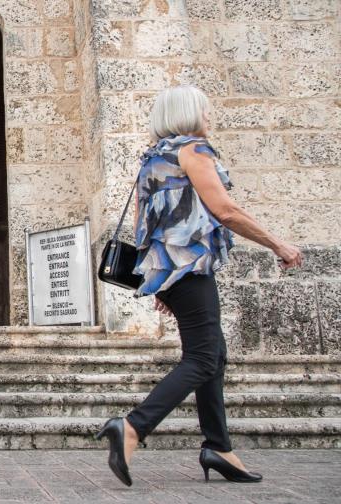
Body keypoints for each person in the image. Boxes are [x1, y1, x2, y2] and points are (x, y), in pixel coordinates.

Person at [96, 85, 303, 486]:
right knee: (204, 357)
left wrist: (161, 282)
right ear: (188, 113)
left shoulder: (152, 160)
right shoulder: (193, 150)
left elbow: (144, 229)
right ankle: (133, 426)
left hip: (173, 273)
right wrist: (277, 243)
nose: (209, 117)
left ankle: (218, 448)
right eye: (204, 110)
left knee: (214, 354)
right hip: (190, 269)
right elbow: (225, 210)